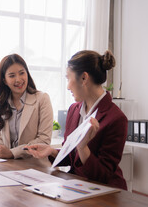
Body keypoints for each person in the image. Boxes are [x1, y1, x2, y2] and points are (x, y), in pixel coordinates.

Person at [25, 50, 128, 190]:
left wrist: (82, 147)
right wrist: (52, 151)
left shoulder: (116, 119)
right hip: (77, 186)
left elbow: (103, 176)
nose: (67, 86)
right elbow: (72, 158)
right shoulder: (74, 110)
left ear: (84, 78)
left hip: (105, 193)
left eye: (68, 78)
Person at [0, 54, 53, 159]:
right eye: (12, 75)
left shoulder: (42, 99)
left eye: (22, 73)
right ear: (5, 80)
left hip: (36, 166)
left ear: (27, 73)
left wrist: (12, 153)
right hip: (8, 166)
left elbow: (43, 140)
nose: (18, 79)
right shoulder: (2, 102)